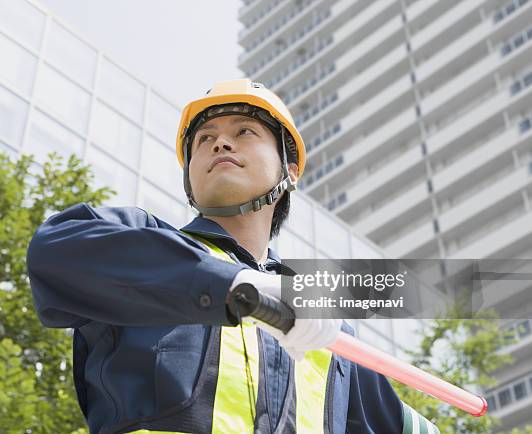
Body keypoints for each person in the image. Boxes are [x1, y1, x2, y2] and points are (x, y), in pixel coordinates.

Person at [27, 79, 440, 433]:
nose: (220, 141)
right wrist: (230, 283)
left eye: (245, 131)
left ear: (290, 170)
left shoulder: (328, 327)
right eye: (204, 139)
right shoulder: (144, 246)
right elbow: (55, 249)